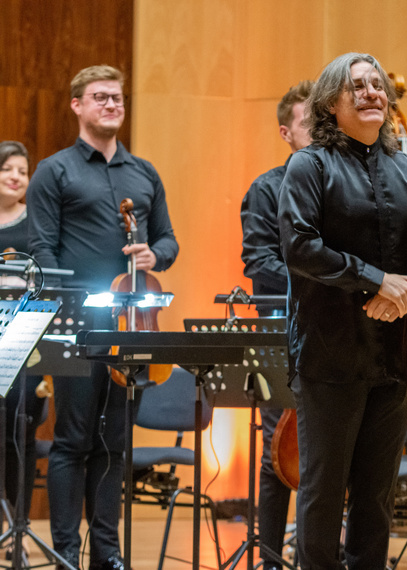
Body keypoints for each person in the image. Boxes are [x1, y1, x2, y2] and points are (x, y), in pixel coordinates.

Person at [278, 52, 407, 569]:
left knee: (378, 498)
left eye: (377, 85)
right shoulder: (309, 165)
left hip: (394, 358)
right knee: (323, 492)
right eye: (357, 86)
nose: (372, 92)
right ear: (331, 103)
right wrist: (377, 279)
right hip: (329, 355)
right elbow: (300, 247)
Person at [27, 65, 179, 570]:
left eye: (117, 98)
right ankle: (68, 550)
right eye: (100, 97)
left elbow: (169, 240)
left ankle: (107, 554)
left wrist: (154, 257)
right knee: (72, 439)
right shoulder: (56, 170)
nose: (111, 105)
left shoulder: (145, 173)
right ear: (77, 105)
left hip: (132, 324)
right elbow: (41, 249)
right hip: (76, 324)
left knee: (115, 441)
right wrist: (66, 296)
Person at [240, 79, 313, 570]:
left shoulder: (347, 181)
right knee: (278, 446)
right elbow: (258, 262)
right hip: (283, 329)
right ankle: (269, 559)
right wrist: (325, 273)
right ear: (286, 132)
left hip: (341, 333)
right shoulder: (268, 188)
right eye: (311, 123)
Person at [0, 140, 47, 560]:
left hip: (23, 343)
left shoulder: (35, 227)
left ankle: (18, 528)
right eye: (7, 169)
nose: (16, 177)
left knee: (21, 435)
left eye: (22, 171)